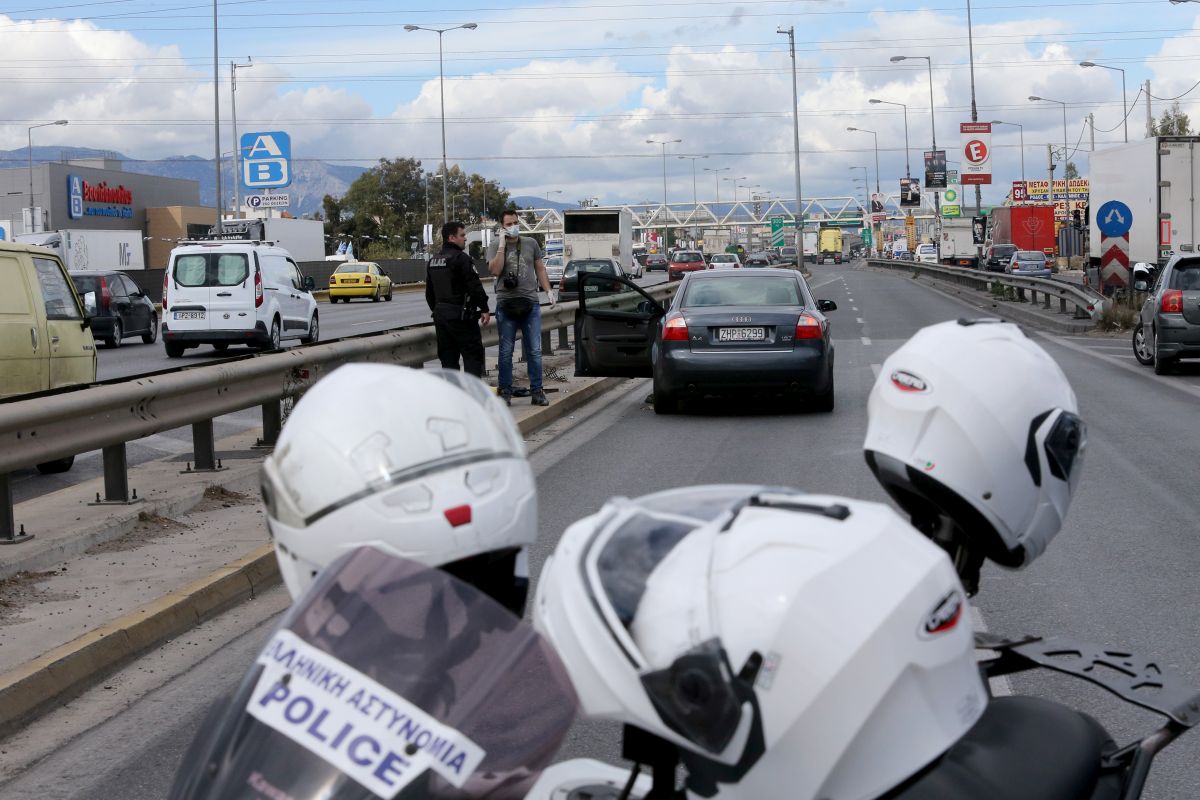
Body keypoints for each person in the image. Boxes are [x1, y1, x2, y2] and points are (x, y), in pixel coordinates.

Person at [487, 209, 555, 407]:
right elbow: (495, 270)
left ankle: (537, 391)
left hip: (530, 303)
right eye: (509, 224)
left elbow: (540, 268)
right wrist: (502, 244)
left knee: (534, 350)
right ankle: (505, 392)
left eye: (515, 222)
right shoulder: (494, 245)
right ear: (502, 227)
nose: (513, 227)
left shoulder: (530, 243)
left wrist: (548, 290)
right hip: (506, 303)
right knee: (506, 351)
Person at [426, 220, 490, 378]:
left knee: (448, 362)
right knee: (472, 357)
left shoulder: (433, 261)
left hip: (441, 318)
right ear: (451, 238)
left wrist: (439, 310)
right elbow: (474, 286)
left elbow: (429, 293)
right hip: (462, 317)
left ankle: (453, 392)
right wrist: (484, 308)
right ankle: (471, 392)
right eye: (462, 235)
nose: (465, 238)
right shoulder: (462, 259)